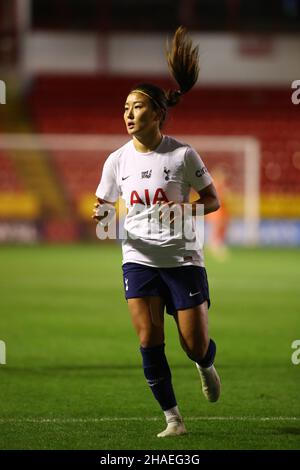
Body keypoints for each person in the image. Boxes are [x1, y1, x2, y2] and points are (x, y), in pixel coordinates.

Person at [93, 26, 221, 438]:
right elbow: (103, 204)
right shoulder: (116, 160)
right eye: (125, 108)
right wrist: (101, 215)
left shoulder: (183, 154)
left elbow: (213, 201)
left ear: (159, 113)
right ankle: (173, 419)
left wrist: (185, 207)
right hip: (139, 259)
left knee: (193, 345)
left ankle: (205, 365)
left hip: (182, 259)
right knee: (149, 339)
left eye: (137, 107)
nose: (128, 114)